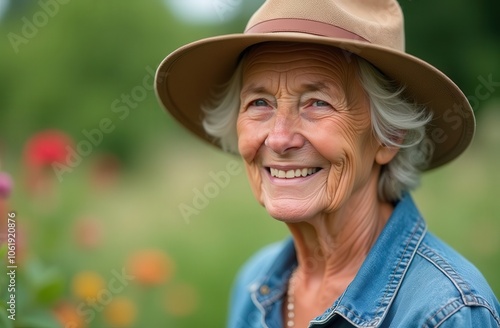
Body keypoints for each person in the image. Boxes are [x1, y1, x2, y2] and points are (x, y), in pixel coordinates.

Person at [155, 0, 500, 327]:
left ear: (389, 136)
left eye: (317, 103)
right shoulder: (254, 283)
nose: (279, 138)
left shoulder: (445, 312)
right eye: (260, 102)